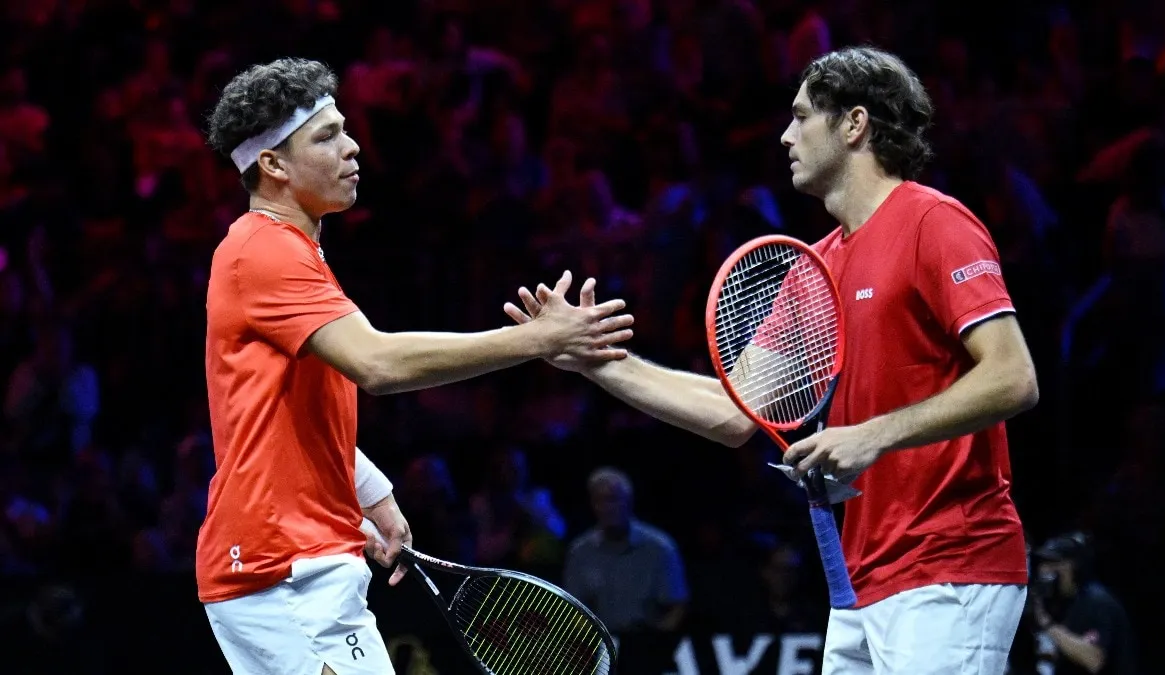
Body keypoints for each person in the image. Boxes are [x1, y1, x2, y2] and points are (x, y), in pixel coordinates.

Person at [506, 46, 1039, 673]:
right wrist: (596, 360)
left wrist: (873, 434)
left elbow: (1013, 376)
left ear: (854, 124)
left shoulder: (934, 222)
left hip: (950, 565)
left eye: (802, 116)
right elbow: (735, 412)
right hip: (861, 582)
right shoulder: (819, 266)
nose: (785, 135)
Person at [198, 57, 634, 675]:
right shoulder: (264, 251)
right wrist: (534, 339)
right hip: (282, 565)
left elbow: (285, 419)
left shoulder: (287, 252)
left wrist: (373, 495)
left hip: (297, 559)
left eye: (345, 129)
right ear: (273, 165)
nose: (352, 148)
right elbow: (377, 363)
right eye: (326, 137)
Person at [562, 467, 689, 633]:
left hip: (647, 643)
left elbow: (677, 605)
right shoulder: (579, 552)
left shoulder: (660, 548)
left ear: (628, 501)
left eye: (613, 499)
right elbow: (573, 608)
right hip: (601, 645)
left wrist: (659, 642)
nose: (607, 507)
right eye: (599, 501)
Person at [1028, 532, 1136, 675]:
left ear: (1074, 566)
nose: (1046, 570)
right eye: (1044, 563)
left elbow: (1093, 660)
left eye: (1053, 563)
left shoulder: (1096, 602)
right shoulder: (1056, 601)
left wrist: (1047, 624)